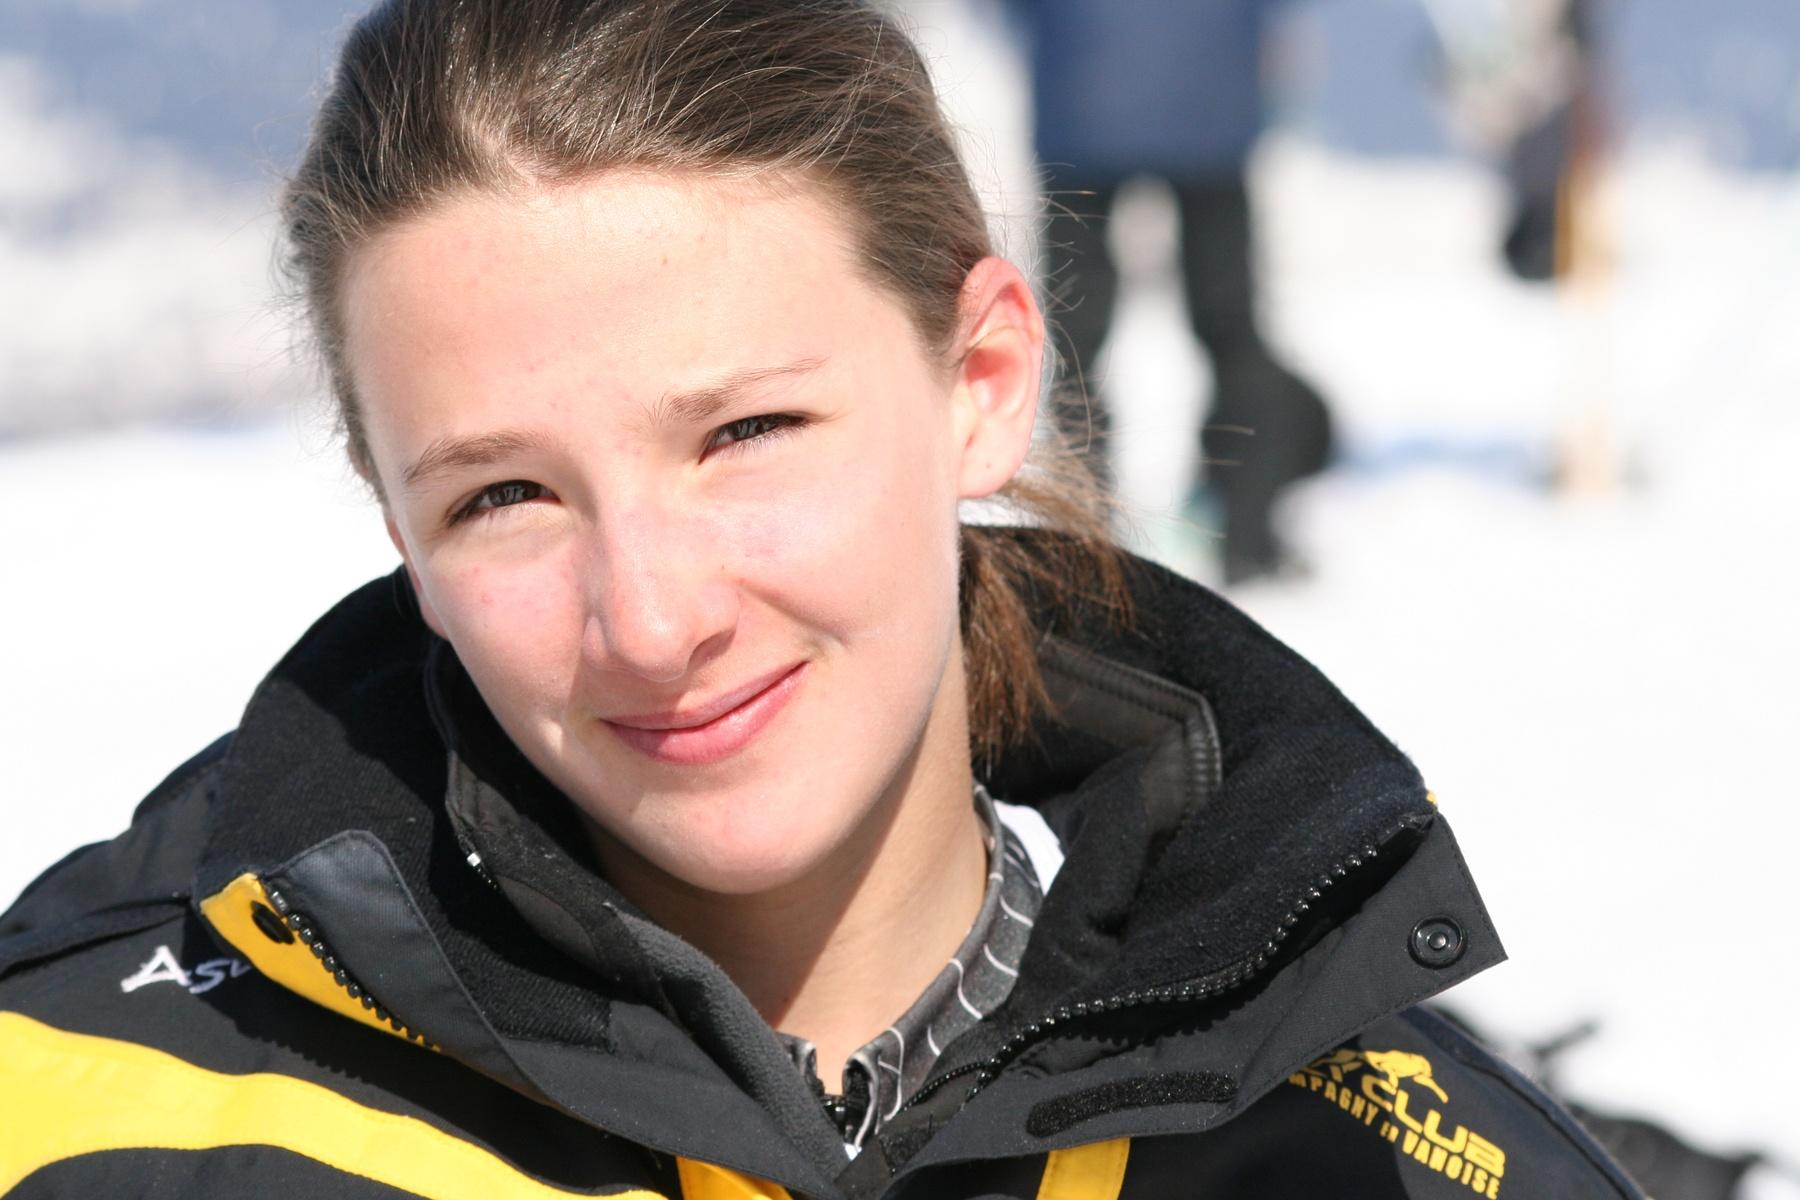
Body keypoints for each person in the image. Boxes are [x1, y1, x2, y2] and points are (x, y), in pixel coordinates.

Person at [0, 2, 1643, 1197]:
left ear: (982, 381)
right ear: (399, 534)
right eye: (501, 497)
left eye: (745, 433)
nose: (653, 622)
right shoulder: (88, 1117)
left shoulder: (1401, 1169)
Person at [1016, 0, 1334, 583]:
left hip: (1082, 86)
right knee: (1230, 328)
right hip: (1210, 93)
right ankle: (1247, 532)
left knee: (1076, 339)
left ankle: (1079, 539)